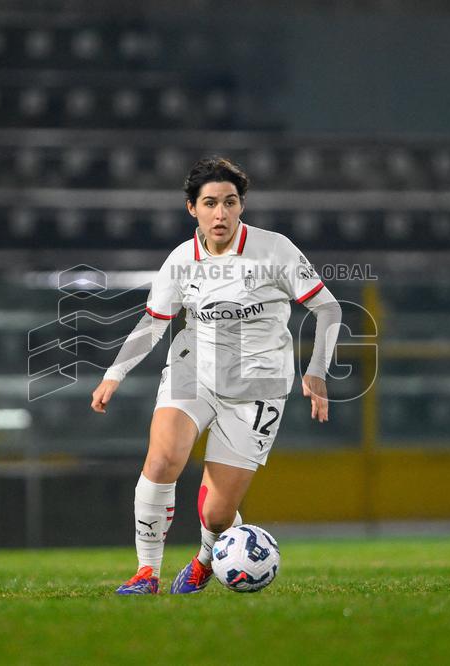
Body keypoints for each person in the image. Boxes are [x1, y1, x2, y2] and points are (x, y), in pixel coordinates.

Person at [90, 157, 342, 594]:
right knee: (163, 459)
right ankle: (147, 572)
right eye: (210, 203)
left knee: (218, 515)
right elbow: (154, 322)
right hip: (194, 371)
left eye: (230, 202)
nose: (220, 213)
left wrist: (317, 370)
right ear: (192, 208)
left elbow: (329, 308)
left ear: (241, 205)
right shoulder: (180, 261)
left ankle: (208, 558)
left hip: (259, 385)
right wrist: (114, 374)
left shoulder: (274, 250)